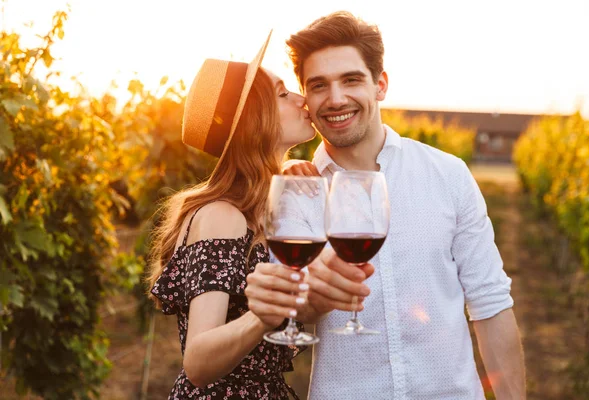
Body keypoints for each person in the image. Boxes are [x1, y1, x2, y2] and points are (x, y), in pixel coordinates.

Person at [245, 11, 526, 400]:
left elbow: (491, 305)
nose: (336, 98)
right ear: (306, 98)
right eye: (319, 85)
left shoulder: (447, 175)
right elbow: (290, 316)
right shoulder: (295, 189)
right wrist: (309, 297)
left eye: (351, 79)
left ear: (380, 85)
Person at [147, 32, 323, 399]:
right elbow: (197, 362)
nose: (301, 98)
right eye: (282, 94)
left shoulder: (260, 209)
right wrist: (263, 316)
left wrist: (283, 173)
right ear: (252, 120)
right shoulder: (222, 216)